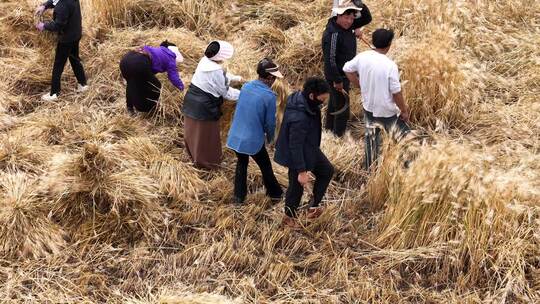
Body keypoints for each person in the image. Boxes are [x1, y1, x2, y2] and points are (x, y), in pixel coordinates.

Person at [343, 29, 411, 169]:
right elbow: (396, 92)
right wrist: (404, 110)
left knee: (371, 138)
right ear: (389, 45)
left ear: (373, 41)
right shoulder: (389, 65)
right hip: (387, 110)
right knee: (405, 139)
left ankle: (370, 168)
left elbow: (347, 69)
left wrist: (359, 84)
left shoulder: (363, 56)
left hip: (369, 106)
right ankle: (408, 167)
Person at [274, 77, 334, 229]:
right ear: (312, 96)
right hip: (296, 153)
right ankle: (289, 217)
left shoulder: (303, 100)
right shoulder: (299, 118)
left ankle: (312, 207)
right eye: (322, 99)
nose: (323, 102)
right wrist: (301, 170)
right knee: (296, 185)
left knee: (326, 170)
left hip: (310, 147)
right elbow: (295, 145)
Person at [226, 58, 284, 205]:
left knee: (241, 163)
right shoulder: (269, 97)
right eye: (275, 77)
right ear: (270, 78)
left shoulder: (246, 87)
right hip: (252, 140)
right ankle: (276, 194)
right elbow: (269, 123)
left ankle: (238, 197)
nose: (275, 80)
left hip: (235, 136)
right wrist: (271, 138)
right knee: (265, 165)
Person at [182, 41, 242, 169]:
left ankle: (194, 156)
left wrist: (234, 78)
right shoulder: (216, 70)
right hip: (204, 106)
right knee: (207, 136)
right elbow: (226, 93)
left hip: (191, 99)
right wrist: (243, 93)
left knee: (193, 132)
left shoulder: (205, 61)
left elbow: (219, 77)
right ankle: (208, 164)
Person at [322, 0, 372, 137]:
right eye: (346, 18)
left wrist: (359, 3)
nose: (349, 21)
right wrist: (337, 80)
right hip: (337, 75)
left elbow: (367, 17)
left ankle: (329, 130)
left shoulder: (347, 26)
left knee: (334, 103)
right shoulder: (333, 33)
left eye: (351, 18)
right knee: (343, 108)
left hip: (344, 73)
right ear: (338, 15)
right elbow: (330, 59)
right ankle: (338, 137)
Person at [35, 0, 88, 102]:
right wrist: (45, 6)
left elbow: (58, 25)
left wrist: (44, 26)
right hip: (76, 34)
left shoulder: (62, 5)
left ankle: (54, 93)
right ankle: (82, 84)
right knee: (74, 59)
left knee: (58, 65)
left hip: (66, 39)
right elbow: (56, 0)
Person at [119, 41, 185, 113]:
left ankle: (129, 108)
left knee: (131, 83)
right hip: (139, 64)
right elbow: (174, 78)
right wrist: (182, 88)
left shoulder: (157, 50)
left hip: (126, 60)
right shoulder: (171, 58)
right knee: (156, 86)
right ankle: (148, 108)